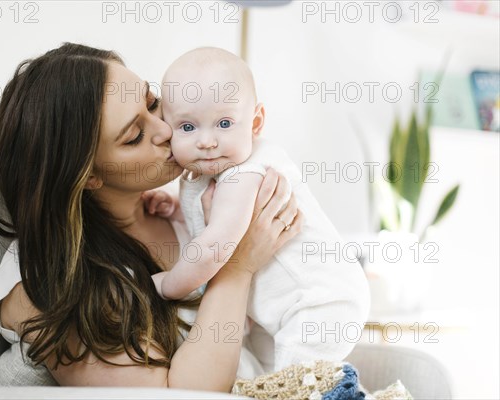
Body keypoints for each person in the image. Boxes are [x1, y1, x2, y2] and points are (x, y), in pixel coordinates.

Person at [0, 42, 302, 392]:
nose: (165, 131)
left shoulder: (186, 209)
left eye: (152, 103)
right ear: (87, 176)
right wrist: (237, 267)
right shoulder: (43, 283)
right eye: (134, 136)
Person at [150, 47, 370, 374]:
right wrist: (179, 210)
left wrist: (169, 285)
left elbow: (217, 246)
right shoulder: (215, 170)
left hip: (318, 304)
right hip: (281, 312)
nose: (207, 141)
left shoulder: (245, 174)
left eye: (224, 123)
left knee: (296, 387)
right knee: (267, 380)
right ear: (167, 127)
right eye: (187, 127)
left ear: (255, 122)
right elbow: (217, 221)